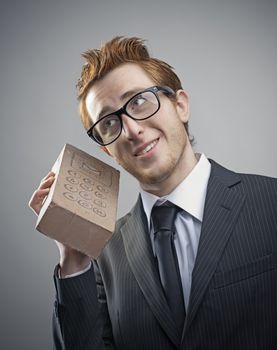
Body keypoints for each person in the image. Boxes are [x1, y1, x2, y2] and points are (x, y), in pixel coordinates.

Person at [29, 36, 277, 350]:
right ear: (107, 149)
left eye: (139, 102)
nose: (132, 130)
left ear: (181, 105)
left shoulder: (270, 203)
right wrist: (73, 258)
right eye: (109, 122)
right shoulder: (104, 254)